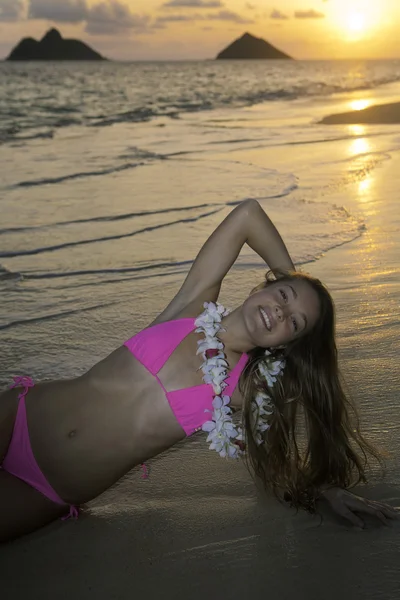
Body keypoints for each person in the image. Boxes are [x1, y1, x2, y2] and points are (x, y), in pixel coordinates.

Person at [0, 199, 398, 543]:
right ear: (259, 288)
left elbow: (278, 454)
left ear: (285, 347)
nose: (281, 311)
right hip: (20, 414)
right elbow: (248, 214)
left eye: (294, 323)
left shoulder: (245, 388)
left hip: (44, 490)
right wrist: (291, 278)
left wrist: (326, 490)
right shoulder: (190, 308)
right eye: (281, 297)